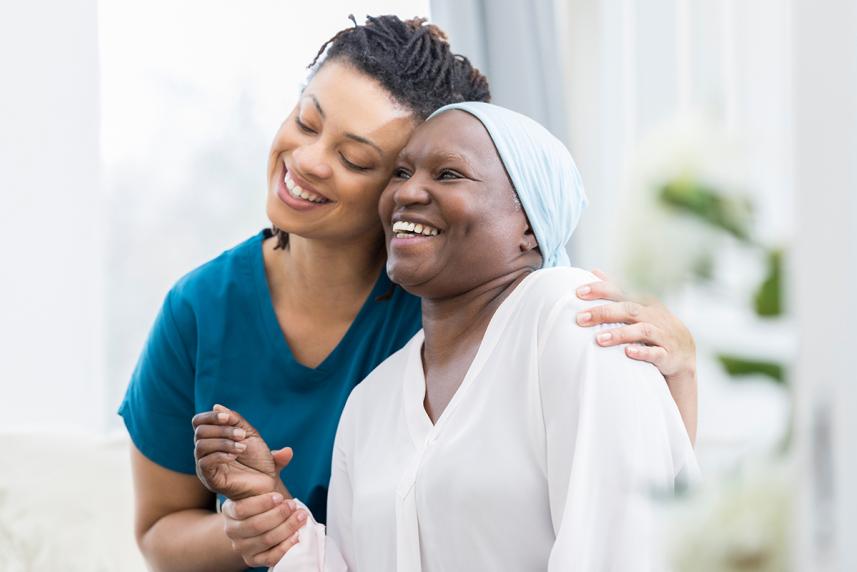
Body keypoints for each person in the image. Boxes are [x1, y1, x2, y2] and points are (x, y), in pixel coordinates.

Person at [120, 15, 698, 572]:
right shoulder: (217, 318)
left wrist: (678, 373)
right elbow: (160, 530)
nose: (309, 160)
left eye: (356, 158)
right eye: (306, 120)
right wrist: (255, 519)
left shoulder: (487, 306)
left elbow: (629, 495)